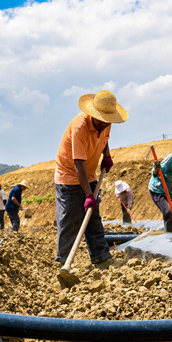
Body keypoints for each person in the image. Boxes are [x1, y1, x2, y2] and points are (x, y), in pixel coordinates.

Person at [54, 90, 127, 267]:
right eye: (101, 120)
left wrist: (106, 155)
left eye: (107, 121)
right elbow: (78, 164)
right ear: (93, 114)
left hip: (90, 173)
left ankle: (101, 257)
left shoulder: (106, 122)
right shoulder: (80, 127)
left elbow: (104, 138)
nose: (105, 124)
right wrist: (88, 195)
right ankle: (64, 261)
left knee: (94, 217)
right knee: (71, 219)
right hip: (69, 175)